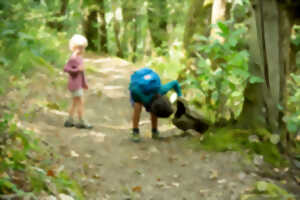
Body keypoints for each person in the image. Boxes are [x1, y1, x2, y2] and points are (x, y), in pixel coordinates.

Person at [129, 67, 182, 142]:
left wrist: (180, 97)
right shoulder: (140, 95)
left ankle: (154, 131)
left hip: (150, 80)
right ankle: (135, 131)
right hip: (137, 85)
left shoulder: (162, 90)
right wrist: (143, 101)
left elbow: (175, 83)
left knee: (157, 107)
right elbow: (133, 88)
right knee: (137, 106)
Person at [63, 34, 93, 129]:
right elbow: (66, 68)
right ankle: (81, 121)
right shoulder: (73, 58)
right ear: (74, 47)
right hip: (74, 84)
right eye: (79, 48)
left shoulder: (79, 58)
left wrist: (84, 83)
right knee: (80, 102)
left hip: (78, 84)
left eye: (83, 48)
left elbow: (82, 73)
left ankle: (69, 119)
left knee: (75, 102)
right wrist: (76, 70)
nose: (81, 50)